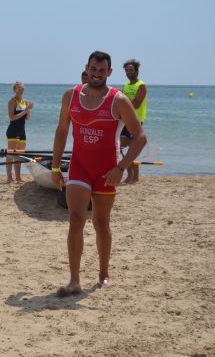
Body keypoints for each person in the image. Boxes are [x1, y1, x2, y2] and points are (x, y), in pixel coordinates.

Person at [51, 51, 146, 296]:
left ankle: (104, 274)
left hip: (106, 171)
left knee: (101, 223)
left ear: (109, 73)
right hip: (79, 166)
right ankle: (74, 281)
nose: (96, 74)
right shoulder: (70, 96)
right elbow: (62, 131)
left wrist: (121, 167)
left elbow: (140, 138)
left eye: (101, 70)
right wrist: (54, 167)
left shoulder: (118, 100)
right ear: (87, 68)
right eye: (93, 69)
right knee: (75, 219)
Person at [120, 59, 147, 184]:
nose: (129, 72)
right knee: (123, 149)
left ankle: (135, 177)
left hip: (136, 121)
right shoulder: (125, 85)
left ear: (136, 70)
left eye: (131, 70)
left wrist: (123, 101)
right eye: (126, 70)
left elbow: (136, 104)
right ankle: (129, 175)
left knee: (133, 149)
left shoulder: (141, 85)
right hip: (124, 120)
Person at [5, 81, 34, 183]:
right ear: (14, 90)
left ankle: (18, 177)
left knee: (19, 156)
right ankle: (9, 178)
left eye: (22, 89)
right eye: (18, 89)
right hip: (13, 131)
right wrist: (25, 111)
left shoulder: (25, 101)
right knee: (11, 155)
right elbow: (12, 118)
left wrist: (29, 110)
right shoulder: (12, 101)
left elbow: (28, 118)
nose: (21, 91)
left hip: (22, 131)